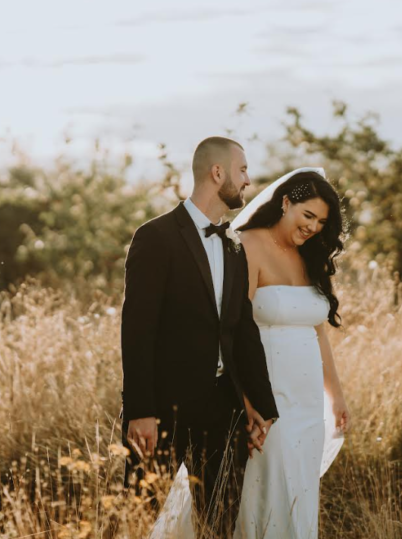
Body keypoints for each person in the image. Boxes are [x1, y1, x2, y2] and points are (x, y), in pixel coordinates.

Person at [150, 167, 349, 539]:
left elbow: (317, 330)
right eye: (308, 216)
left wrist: (334, 394)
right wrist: (247, 400)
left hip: (307, 404)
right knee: (264, 487)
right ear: (286, 202)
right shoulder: (244, 245)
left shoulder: (309, 256)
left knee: (300, 491)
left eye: (322, 222)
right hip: (265, 394)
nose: (313, 228)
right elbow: (230, 331)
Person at [120, 136, 279, 537]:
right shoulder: (155, 237)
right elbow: (137, 329)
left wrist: (261, 404)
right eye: (242, 170)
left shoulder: (234, 247)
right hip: (163, 413)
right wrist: (141, 410)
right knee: (133, 520)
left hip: (223, 412)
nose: (248, 179)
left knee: (219, 525)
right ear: (217, 172)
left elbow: (242, 328)